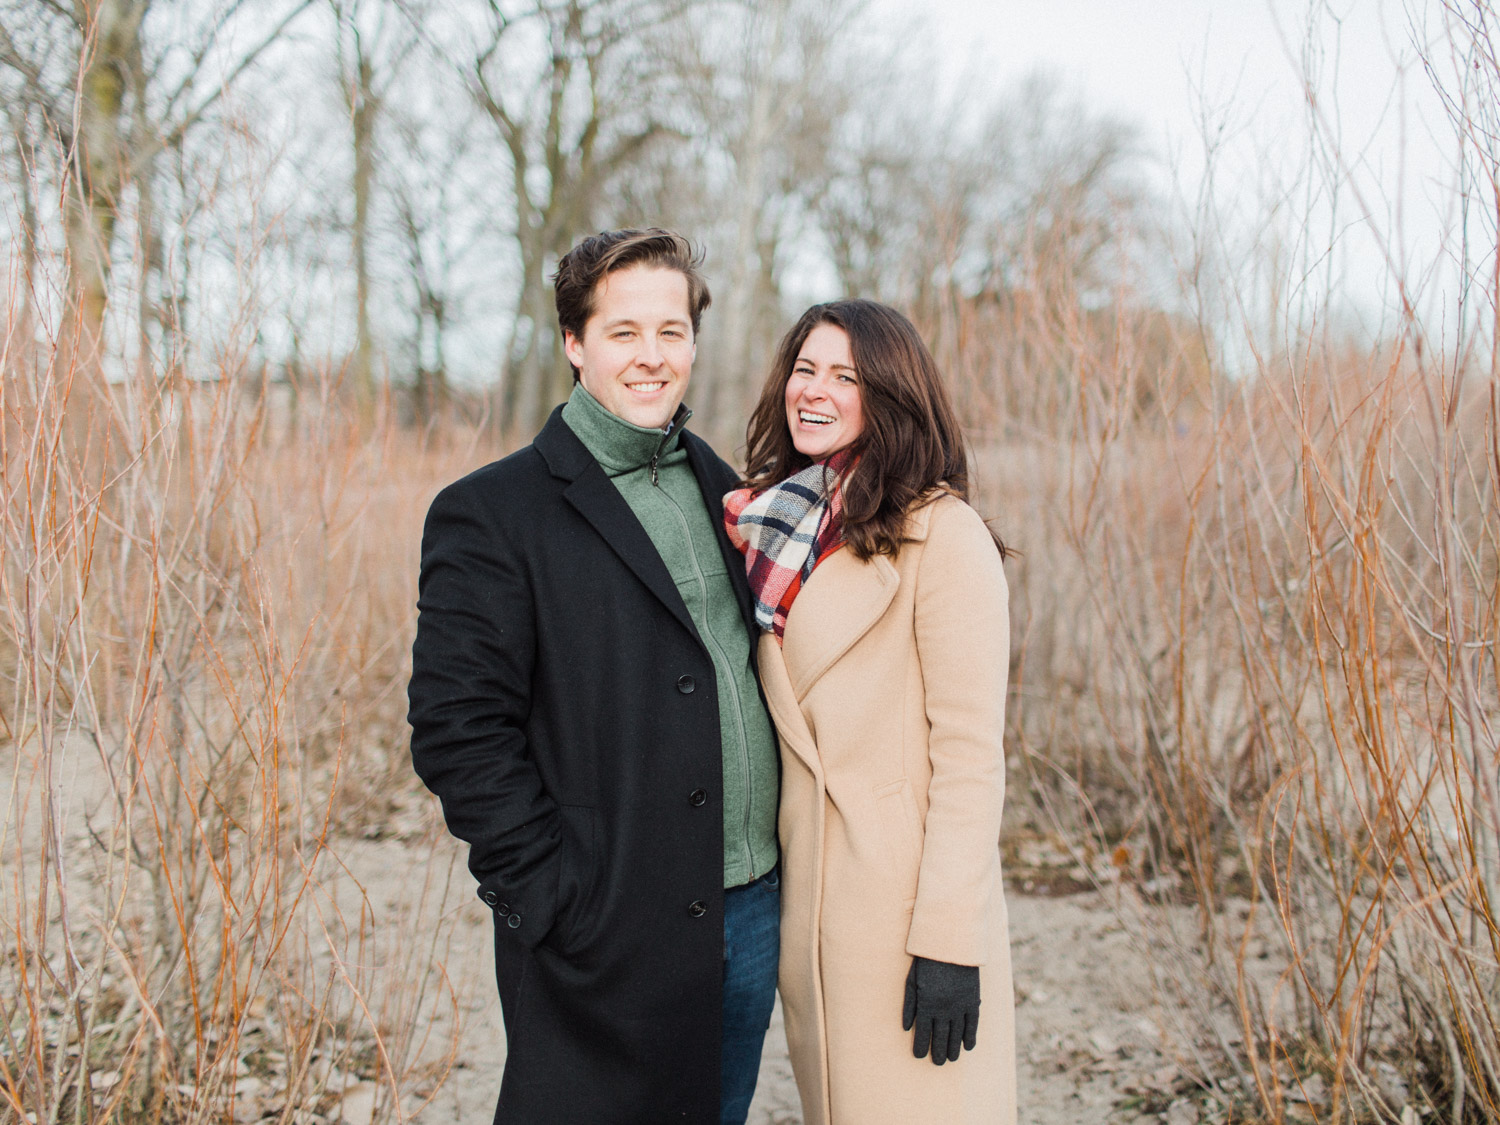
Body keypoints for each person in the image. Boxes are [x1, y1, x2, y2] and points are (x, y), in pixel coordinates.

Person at [407, 228, 781, 1124]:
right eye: (623, 332)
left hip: (752, 908)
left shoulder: (718, 483)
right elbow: (457, 730)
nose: (652, 357)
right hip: (606, 919)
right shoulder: (491, 512)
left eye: (671, 331)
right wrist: (551, 894)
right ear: (574, 344)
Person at [724, 299, 1017, 1124]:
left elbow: (969, 758)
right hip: (812, 912)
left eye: (844, 376)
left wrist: (948, 941)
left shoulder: (943, 536)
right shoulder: (777, 523)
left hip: (905, 917)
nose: (813, 391)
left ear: (888, 395)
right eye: (804, 369)